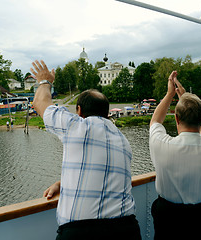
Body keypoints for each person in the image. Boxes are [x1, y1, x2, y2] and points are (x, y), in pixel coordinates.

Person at [31, 60, 141, 240]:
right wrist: (64, 182)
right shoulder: (122, 140)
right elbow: (102, 172)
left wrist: (45, 82)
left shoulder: (76, 127)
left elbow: (40, 103)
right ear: (107, 113)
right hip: (127, 230)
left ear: (79, 111)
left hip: (82, 232)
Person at [149, 71, 201, 239]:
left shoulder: (162, 144)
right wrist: (186, 97)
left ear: (176, 118)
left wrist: (170, 94)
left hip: (168, 215)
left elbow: (155, 121)